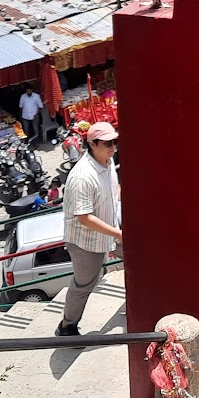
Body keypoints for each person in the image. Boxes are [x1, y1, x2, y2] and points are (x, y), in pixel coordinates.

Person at [55, 122, 122, 337]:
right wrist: (118, 234)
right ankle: (67, 327)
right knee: (84, 284)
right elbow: (84, 217)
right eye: (108, 143)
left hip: (110, 231)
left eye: (115, 142)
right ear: (92, 144)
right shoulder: (83, 176)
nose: (113, 147)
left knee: (140, 257)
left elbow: (113, 192)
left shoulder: (108, 163)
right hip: (86, 241)